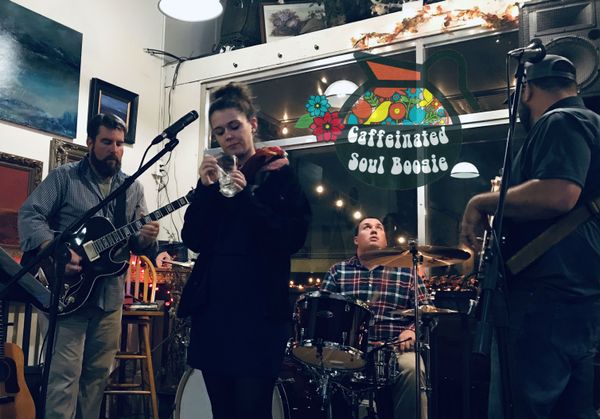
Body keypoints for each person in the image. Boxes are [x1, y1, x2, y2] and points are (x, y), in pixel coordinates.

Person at [460, 54, 600, 418]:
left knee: (523, 408)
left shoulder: (560, 120)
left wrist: (480, 202)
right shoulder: (590, 123)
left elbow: (558, 193)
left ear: (527, 91)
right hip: (577, 298)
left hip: (545, 299)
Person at [177, 82, 311, 419]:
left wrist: (245, 199)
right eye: (220, 131)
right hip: (214, 314)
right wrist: (205, 191)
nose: (228, 136)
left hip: (258, 315)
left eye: (234, 126)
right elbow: (193, 238)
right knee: (221, 411)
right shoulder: (217, 179)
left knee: (252, 410)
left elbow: (290, 238)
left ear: (253, 124)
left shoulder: (279, 174)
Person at [18, 113, 160, 419]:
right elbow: (30, 214)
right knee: (63, 378)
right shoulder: (64, 177)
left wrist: (147, 238)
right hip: (67, 294)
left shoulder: (133, 188)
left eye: (119, 144)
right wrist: (55, 251)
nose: (114, 150)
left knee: (96, 379)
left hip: (109, 298)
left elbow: (136, 243)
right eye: (107, 142)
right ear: (90, 142)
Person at [321, 216, 429, 419]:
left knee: (412, 370)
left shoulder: (406, 272)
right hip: (350, 350)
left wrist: (412, 331)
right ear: (356, 239)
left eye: (379, 227)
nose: (373, 230)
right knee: (323, 372)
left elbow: (426, 311)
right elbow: (324, 313)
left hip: (395, 348)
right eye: (367, 227)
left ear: (385, 240)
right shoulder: (338, 271)